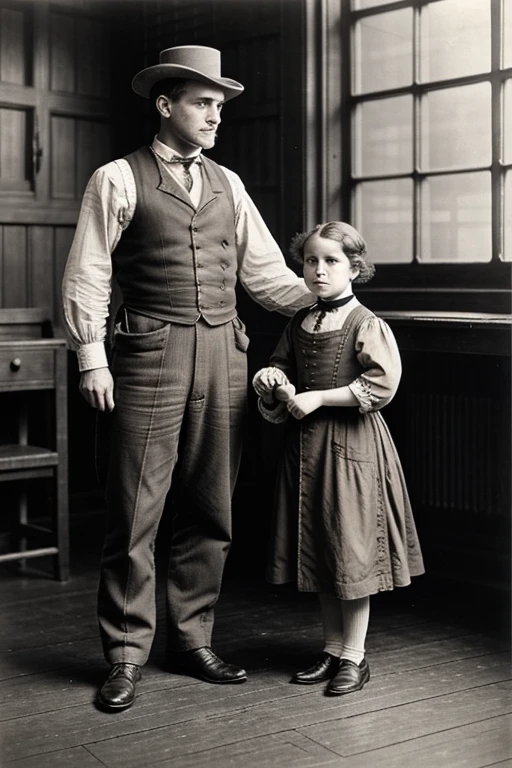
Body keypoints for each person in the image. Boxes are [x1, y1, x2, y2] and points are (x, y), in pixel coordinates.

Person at [61, 45, 313, 712]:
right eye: (203, 103)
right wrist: (92, 356)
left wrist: (328, 300)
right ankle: (123, 655)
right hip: (147, 355)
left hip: (225, 354)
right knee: (134, 511)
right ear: (166, 105)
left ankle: (192, 640)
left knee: (212, 507)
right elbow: (88, 272)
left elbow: (265, 276)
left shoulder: (230, 184)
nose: (215, 116)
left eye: (220, 107)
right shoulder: (116, 178)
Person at [252, 221, 424, 696]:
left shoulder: (366, 324)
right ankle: (331, 650)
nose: (319, 270)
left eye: (331, 261)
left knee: (350, 552)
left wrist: (319, 399)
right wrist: (274, 382)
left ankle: (355, 656)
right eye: (311, 260)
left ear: (354, 267)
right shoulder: (299, 321)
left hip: (352, 452)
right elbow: (282, 367)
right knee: (322, 548)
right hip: (307, 452)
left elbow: (381, 384)